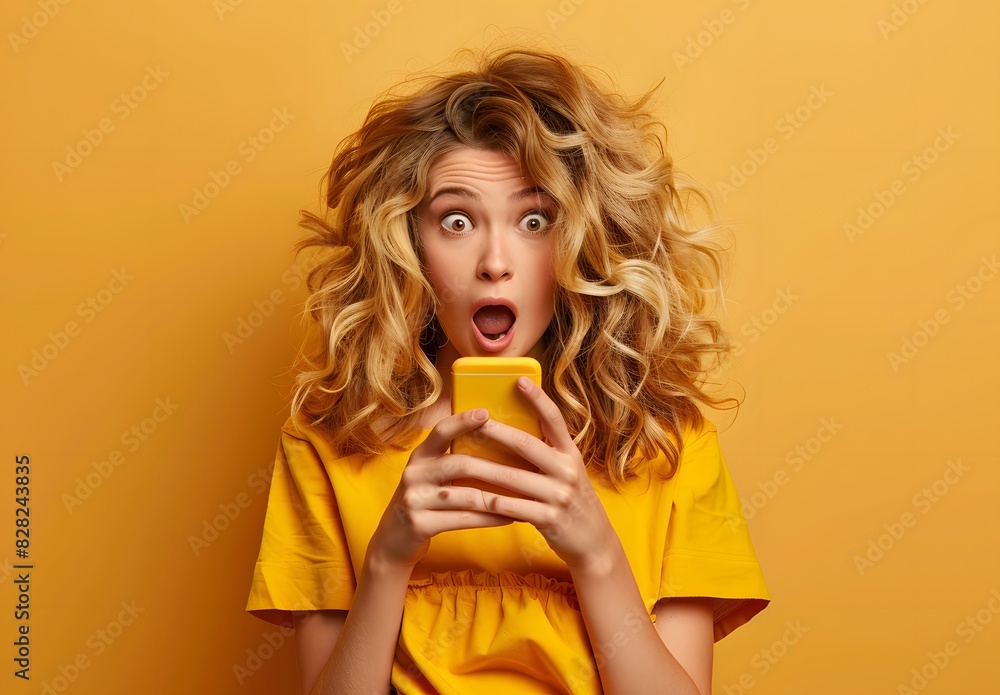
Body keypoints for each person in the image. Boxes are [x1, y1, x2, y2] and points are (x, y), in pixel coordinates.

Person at [245, 43, 770, 695]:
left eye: (534, 219)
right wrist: (388, 557)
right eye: (457, 220)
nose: (495, 261)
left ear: (584, 239)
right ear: (409, 244)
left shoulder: (665, 442)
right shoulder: (328, 439)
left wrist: (595, 552)